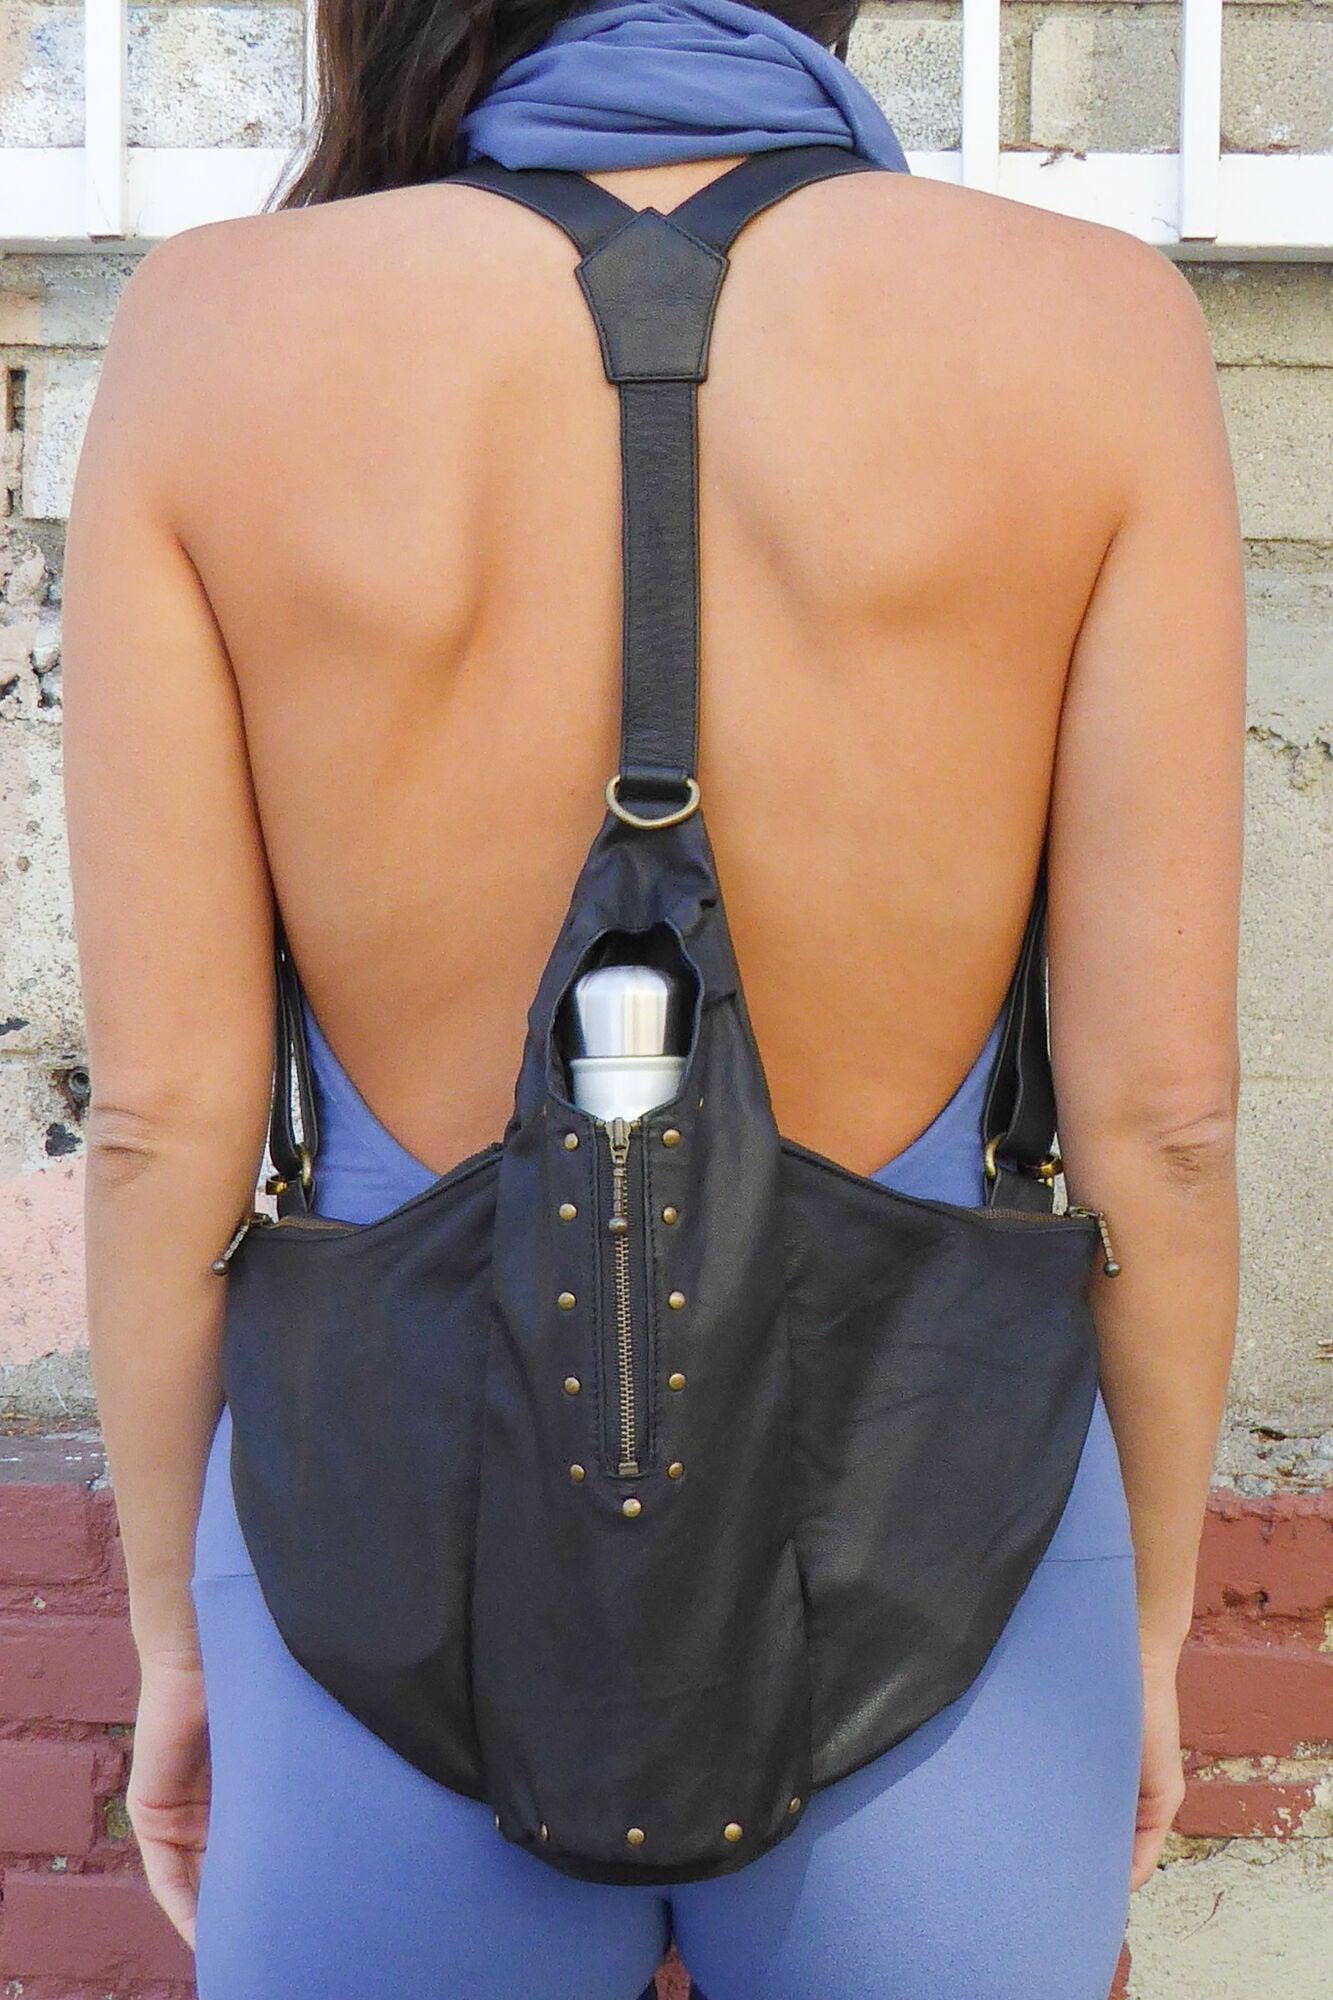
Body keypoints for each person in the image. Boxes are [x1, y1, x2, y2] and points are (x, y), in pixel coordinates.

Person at [60, 3, 1244, 1996]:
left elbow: (164, 1121)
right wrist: (1137, 1631)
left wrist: (182, 1644)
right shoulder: (1089, 324)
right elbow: (1164, 1123)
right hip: (949, 1553)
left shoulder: (217, 332)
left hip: (369, 1560)